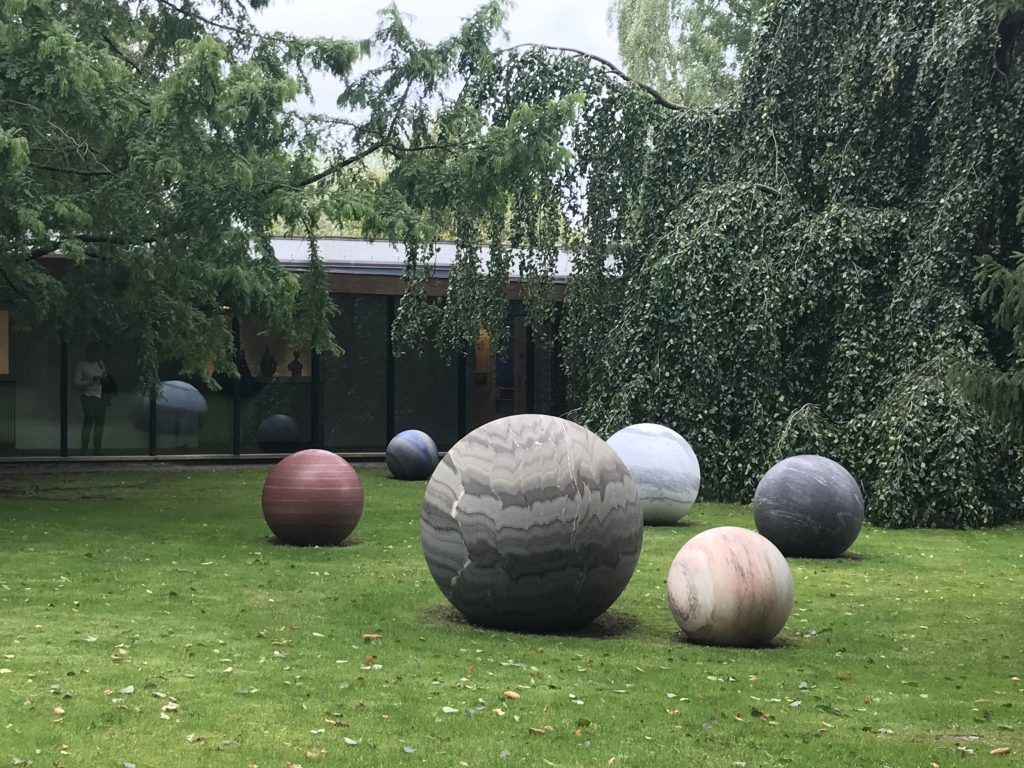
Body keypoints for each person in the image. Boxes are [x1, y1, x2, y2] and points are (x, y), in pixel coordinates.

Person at [74, 342, 110, 455]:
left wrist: (104, 379)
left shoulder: (100, 363)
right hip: (89, 396)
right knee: (88, 422)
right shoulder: (82, 364)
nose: (93, 356)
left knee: (100, 424)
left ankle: (97, 448)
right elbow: (76, 382)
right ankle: (84, 448)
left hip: (101, 396)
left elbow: (106, 377)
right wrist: (90, 381)